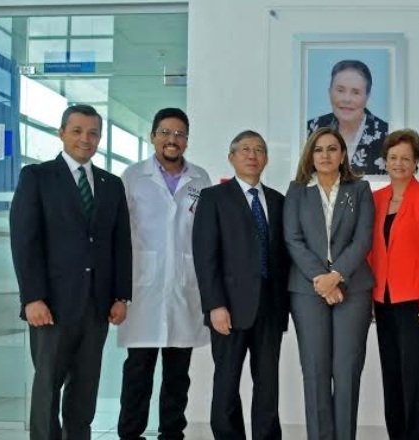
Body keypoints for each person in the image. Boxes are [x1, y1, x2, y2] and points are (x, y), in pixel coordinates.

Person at [9, 104, 132, 439]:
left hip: (96, 304)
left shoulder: (111, 184)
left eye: (93, 132)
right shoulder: (37, 177)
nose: (85, 139)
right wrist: (32, 297)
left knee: (85, 389)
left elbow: (120, 243)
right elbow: (25, 241)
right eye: (77, 131)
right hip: (52, 305)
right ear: (61, 133)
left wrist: (122, 295)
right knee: (48, 385)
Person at [116, 108, 211, 440]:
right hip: (144, 288)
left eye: (180, 133)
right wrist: (119, 291)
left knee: (178, 374)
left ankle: (172, 434)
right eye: (166, 132)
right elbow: (120, 236)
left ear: (187, 139)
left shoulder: (200, 178)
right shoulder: (132, 176)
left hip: (185, 288)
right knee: (138, 371)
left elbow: (205, 236)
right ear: (153, 136)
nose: (173, 139)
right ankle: (130, 434)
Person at [192, 130, 290, 440]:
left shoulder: (277, 200)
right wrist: (214, 305)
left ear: (266, 158)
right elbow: (204, 256)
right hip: (229, 309)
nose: (252, 155)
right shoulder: (212, 198)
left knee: (267, 384)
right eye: (245, 149)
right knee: (226, 383)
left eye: (259, 150)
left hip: (270, 309)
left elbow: (284, 258)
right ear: (231, 157)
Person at [284, 126, 375, 440]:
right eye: (319, 149)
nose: (325, 155)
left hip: (353, 288)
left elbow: (363, 239)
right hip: (307, 290)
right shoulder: (297, 190)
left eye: (332, 149)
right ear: (311, 154)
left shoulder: (359, 190)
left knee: (347, 370)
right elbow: (293, 240)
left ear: (342, 154)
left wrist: (337, 276)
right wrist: (321, 280)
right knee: (315, 370)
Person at [368, 129, 419, 440]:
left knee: (413, 379)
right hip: (382, 302)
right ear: (385, 161)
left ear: (416, 162)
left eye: (406, 158)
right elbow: (369, 251)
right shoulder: (375, 199)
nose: (398, 163)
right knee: (391, 377)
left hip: (417, 304)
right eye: (393, 157)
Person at [307, 59, 389, 175]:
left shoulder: (386, 135)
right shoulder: (311, 128)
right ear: (329, 92)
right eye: (340, 90)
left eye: (355, 92)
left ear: (367, 96)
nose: (346, 99)